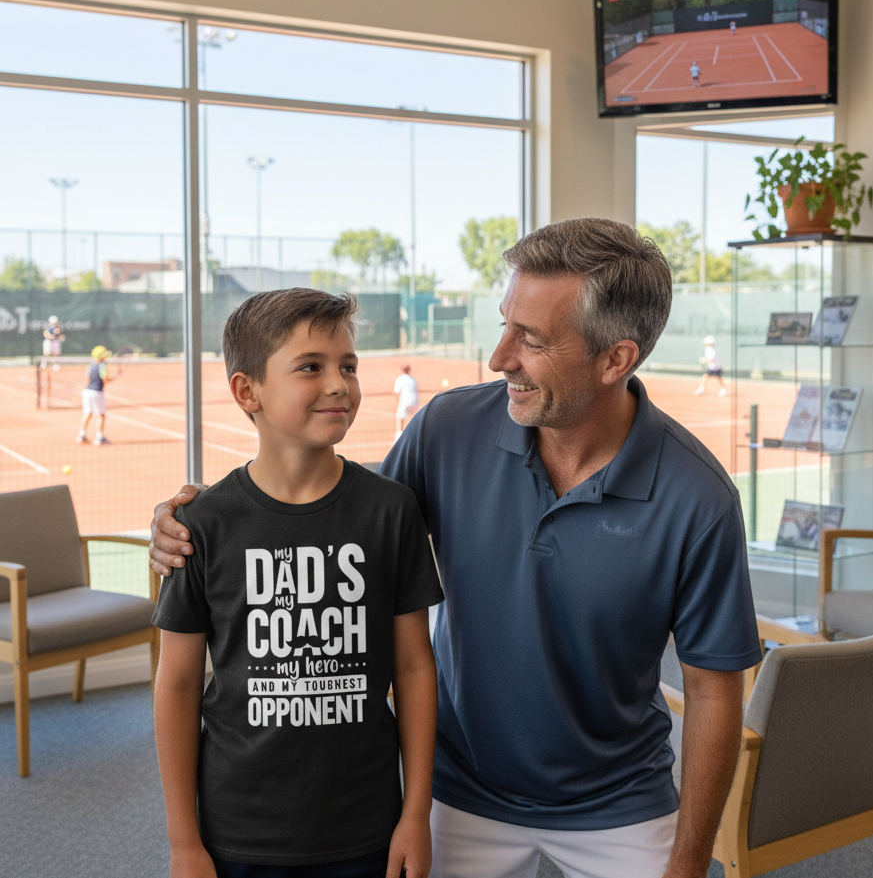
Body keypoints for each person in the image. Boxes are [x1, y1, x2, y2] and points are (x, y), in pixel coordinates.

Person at [150, 220, 761, 878]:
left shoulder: (699, 497)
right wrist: (189, 522)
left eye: (530, 339)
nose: (499, 356)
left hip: (620, 803)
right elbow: (338, 523)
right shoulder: (445, 429)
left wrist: (690, 860)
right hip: (459, 791)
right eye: (505, 324)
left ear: (615, 359)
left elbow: (713, 694)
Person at [152, 288, 443, 878]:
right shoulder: (200, 525)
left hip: (366, 824)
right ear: (247, 391)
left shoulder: (391, 511)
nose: (339, 384)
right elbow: (179, 685)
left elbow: (413, 668)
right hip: (239, 829)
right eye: (311, 366)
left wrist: (416, 815)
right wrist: (185, 842)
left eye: (349, 366)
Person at [76, 345, 117, 446]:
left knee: (87, 413)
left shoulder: (90, 366)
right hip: (97, 392)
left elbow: (88, 376)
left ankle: (82, 435)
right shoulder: (103, 366)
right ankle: (99, 437)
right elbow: (105, 380)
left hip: (87, 391)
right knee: (101, 415)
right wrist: (115, 377)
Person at [393, 362, 419, 439]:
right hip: (414, 401)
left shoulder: (400, 379)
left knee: (400, 419)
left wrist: (398, 404)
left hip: (405, 402)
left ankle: (398, 439)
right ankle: (413, 437)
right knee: (412, 420)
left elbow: (397, 393)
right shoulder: (413, 379)